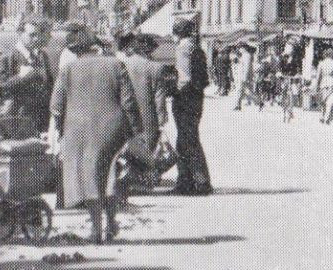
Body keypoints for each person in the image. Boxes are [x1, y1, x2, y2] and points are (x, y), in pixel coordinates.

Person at [51, 34, 139, 243]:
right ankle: (111, 223)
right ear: (96, 48)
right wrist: (135, 132)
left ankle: (96, 229)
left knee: (88, 177)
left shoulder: (67, 70)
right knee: (109, 175)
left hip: (78, 130)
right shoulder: (116, 65)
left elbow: (56, 107)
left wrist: (59, 132)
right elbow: (128, 103)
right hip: (112, 129)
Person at [117, 33, 168, 186]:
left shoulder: (123, 63)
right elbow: (159, 98)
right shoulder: (156, 68)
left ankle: (130, 177)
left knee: (129, 145)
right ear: (149, 50)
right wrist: (162, 117)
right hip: (148, 114)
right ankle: (144, 179)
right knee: (148, 147)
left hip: (127, 112)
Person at [171, 16, 213, 195]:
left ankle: (199, 182)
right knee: (187, 140)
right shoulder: (197, 48)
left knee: (187, 140)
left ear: (178, 33)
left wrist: (173, 92)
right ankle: (187, 181)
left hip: (185, 99)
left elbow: (184, 78)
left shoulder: (183, 48)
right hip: (196, 98)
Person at [0, 17, 54, 138]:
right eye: (31, 35)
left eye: (37, 35)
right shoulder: (8, 57)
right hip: (17, 121)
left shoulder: (42, 56)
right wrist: (20, 77)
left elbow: (49, 87)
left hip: (39, 122)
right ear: (20, 33)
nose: (35, 39)